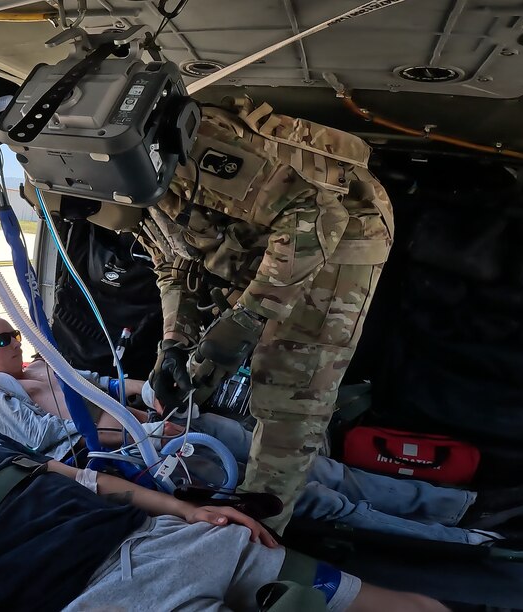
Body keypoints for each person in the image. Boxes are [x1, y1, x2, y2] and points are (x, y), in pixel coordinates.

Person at [0, 315, 523, 548]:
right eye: (0, 340)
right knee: (310, 497)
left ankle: (467, 504)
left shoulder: (47, 366)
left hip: (164, 433)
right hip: (138, 459)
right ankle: (477, 539)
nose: (14, 343)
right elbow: (50, 443)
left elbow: (106, 383)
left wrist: (154, 392)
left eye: (13, 334)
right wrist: (144, 433)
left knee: (309, 462)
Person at [0, 409, 452, 612]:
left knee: (416, 608)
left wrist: (189, 510)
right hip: (104, 590)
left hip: (176, 537)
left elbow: (89, 481)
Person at [137, 96, 395, 533]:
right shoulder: (127, 182)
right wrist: (174, 343)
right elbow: (172, 263)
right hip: (267, 239)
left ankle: (258, 530)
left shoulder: (181, 149)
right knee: (200, 370)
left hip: (343, 229)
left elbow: (317, 216)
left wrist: (248, 318)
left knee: (289, 389)